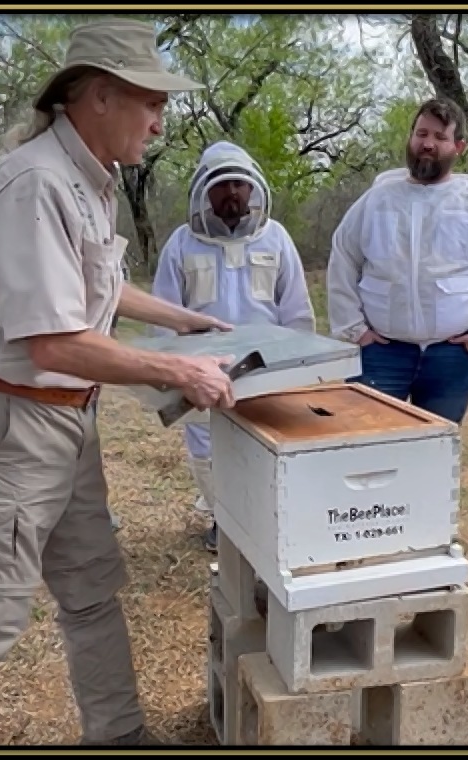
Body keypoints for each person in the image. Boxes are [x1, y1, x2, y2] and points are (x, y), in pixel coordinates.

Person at [0, 19, 238, 746]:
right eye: (150, 102)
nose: (159, 119)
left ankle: (118, 735)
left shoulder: (88, 176)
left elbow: (93, 289)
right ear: (97, 98)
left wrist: (186, 322)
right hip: (14, 428)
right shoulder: (36, 184)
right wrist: (177, 370)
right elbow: (50, 337)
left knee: (91, 591)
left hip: (65, 420)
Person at [151, 140, 316, 551]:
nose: (232, 194)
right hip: (203, 367)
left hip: (266, 365)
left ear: (253, 188)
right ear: (205, 191)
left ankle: (265, 521)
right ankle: (222, 519)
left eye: (240, 185)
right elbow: (164, 313)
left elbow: (296, 310)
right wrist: (172, 370)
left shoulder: (275, 239)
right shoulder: (182, 244)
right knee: (207, 446)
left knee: (267, 442)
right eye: (222, 186)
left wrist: (300, 367)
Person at [326, 96, 468, 425]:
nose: (427, 144)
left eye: (439, 137)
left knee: (433, 454)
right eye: (421, 134)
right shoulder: (376, 201)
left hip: (452, 356)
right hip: (381, 354)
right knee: (369, 450)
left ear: (459, 146)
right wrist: (355, 330)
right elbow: (343, 261)